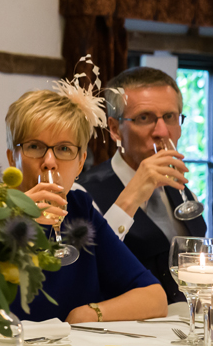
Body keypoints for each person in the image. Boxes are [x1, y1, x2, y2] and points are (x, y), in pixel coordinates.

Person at [5, 87, 166, 323]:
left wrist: (89, 313)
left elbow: (154, 298)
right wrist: (17, 216)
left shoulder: (80, 209)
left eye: (64, 149)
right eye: (35, 147)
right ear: (13, 158)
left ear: (80, 163)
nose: (49, 162)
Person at [78, 67, 207, 303]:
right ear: (115, 129)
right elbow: (85, 270)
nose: (162, 131)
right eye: (144, 118)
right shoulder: (83, 193)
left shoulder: (182, 189)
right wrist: (132, 196)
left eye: (170, 117)